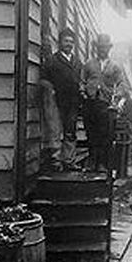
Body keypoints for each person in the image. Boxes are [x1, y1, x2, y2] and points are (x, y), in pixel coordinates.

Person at [41, 28, 83, 171]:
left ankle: (69, 161)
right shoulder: (52, 60)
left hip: (73, 102)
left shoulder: (77, 63)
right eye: (66, 41)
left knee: (70, 131)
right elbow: (44, 79)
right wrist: (50, 90)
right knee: (55, 131)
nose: (69, 44)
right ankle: (55, 161)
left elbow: (81, 80)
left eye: (71, 42)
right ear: (60, 43)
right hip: (56, 101)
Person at [82, 34, 125, 171]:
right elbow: (81, 81)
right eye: (100, 47)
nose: (102, 50)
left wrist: (117, 95)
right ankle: (92, 162)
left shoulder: (115, 66)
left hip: (105, 104)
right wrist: (83, 92)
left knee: (104, 134)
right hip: (90, 102)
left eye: (105, 47)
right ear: (96, 48)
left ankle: (102, 163)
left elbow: (121, 84)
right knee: (91, 132)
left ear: (109, 48)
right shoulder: (89, 64)